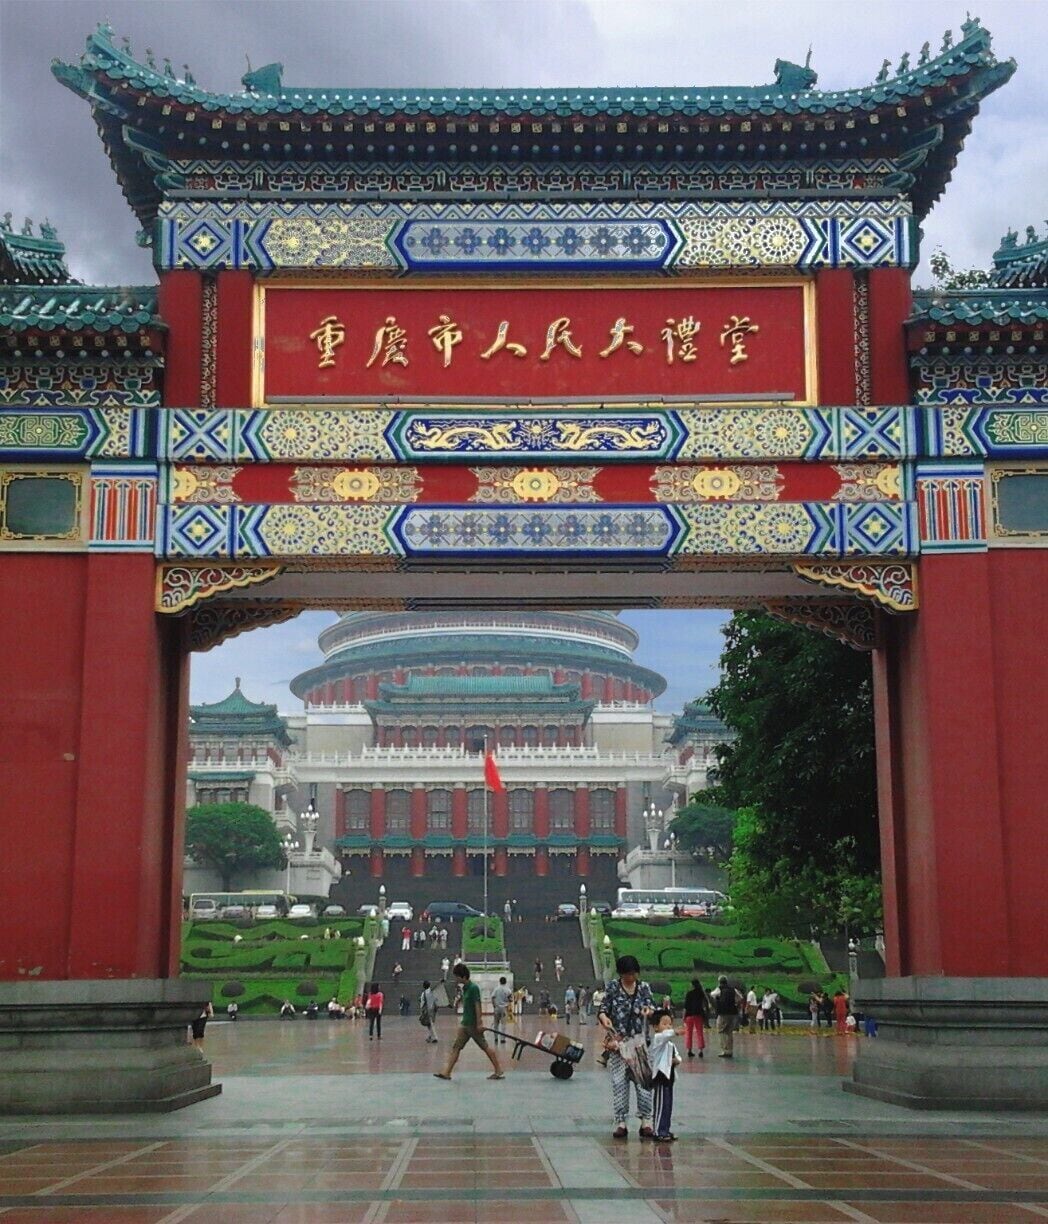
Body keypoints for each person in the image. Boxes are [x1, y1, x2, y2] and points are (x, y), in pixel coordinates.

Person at [598, 954, 655, 1140]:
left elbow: (652, 1007)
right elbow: (603, 1009)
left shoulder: (644, 988)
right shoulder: (613, 988)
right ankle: (620, 1121)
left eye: (632, 974)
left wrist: (649, 1011)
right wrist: (604, 1018)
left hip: (639, 1044)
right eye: (626, 974)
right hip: (619, 1043)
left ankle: (646, 1120)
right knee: (619, 1083)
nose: (630, 978)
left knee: (643, 1084)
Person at [434, 964, 505, 1081]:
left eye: (457, 977)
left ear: (463, 976)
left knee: (485, 1047)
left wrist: (479, 1023)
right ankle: (447, 1073)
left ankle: (498, 1070)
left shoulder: (473, 988)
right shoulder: (465, 989)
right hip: (465, 1025)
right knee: (456, 1047)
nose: (456, 979)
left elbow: (477, 1006)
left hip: (472, 1025)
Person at [649, 1009, 682, 1141]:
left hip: (670, 1078)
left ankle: (665, 1130)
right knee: (661, 1104)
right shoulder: (658, 1040)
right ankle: (658, 1131)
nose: (668, 1027)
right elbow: (664, 1036)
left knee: (668, 1105)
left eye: (670, 1024)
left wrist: (677, 1061)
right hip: (661, 1077)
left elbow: (678, 1057)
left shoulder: (670, 1045)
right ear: (656, 1026)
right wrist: (674, 1032)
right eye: (664, 1024)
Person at [711, 976, 743, 1058]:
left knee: (721, 1031)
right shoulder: (733, 989)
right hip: (733, 1013)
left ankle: (724, 1050)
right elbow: (740, 998)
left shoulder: (719, 989)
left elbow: (712, 995)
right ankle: (730, 1050)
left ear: (719, 982)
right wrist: (734, 1003)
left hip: (723, 1013)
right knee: (729, 1032)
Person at [683, 978, 709, 1058]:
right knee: (699, 1032)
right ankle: (700, 1050)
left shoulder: (689, 994)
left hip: (689, 1015)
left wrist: (683, 1016)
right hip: (698, 1015)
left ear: (692, 985)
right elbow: (706, 1003)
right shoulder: (701, 993)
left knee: (688, 1033)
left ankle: (689, 1050)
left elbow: (686, 1007)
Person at [491, 976, 512, 1043]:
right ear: (505, 982)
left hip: (497, 1008)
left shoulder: (496, 989)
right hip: (504, 1009)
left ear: (499, 981)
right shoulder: (508, 990)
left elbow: (493, 997)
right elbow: (510, 999)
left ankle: (495, 1038)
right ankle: (502, 1039)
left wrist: (494, 1006)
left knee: (496, 1024)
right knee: (503, 1024)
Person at [420, 979, 439, 1043]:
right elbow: (435, 1000)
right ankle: (430, 1036)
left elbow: (422, 1003)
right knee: (430, 1024)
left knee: (430, 1024)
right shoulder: (431, 991)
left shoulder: (424, 993)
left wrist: (422, 1010)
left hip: (427, 1010)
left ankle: (435, 1037)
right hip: (433, 1010)